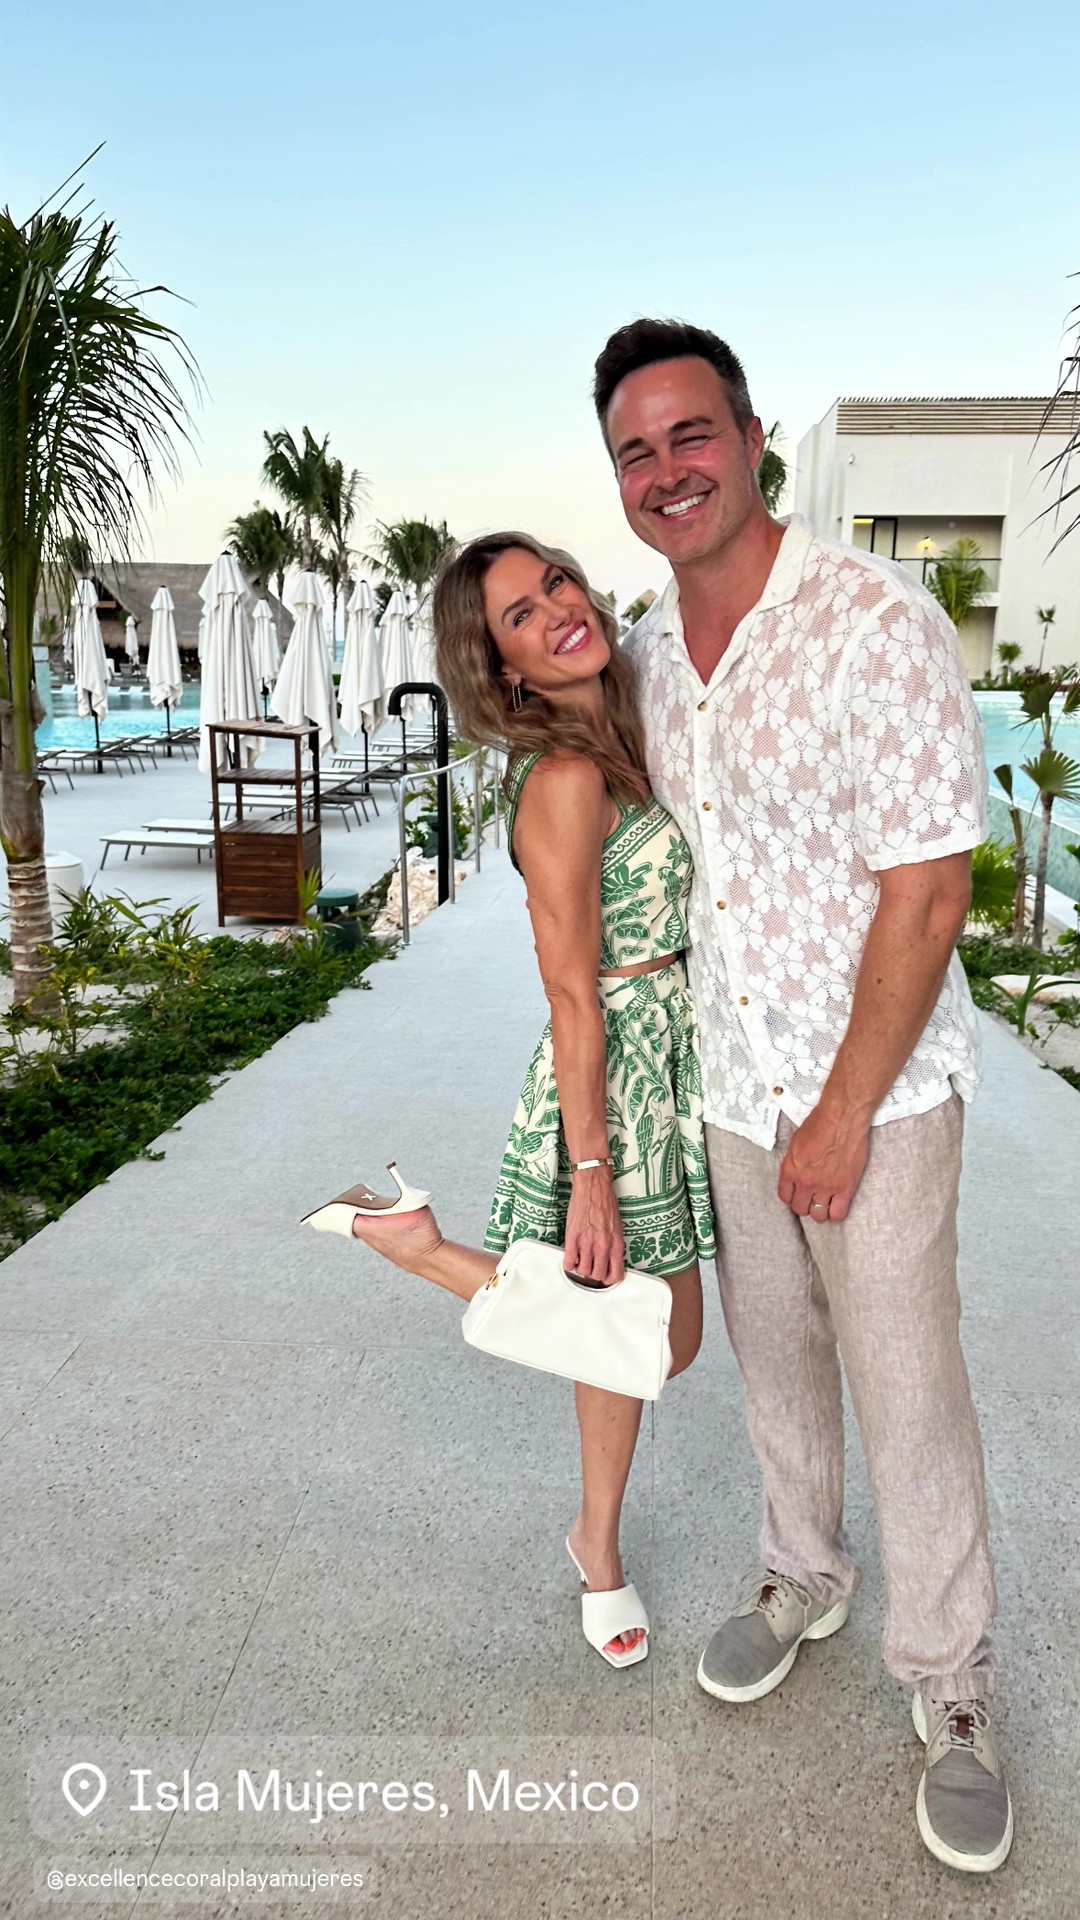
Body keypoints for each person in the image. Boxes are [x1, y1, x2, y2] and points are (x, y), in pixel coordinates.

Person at [592, 316, 1011, 1873]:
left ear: (754, 440)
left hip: (877, 1098)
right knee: (777, 1365)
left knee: (909, 1391)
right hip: (730, 1080)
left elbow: (929, 890)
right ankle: (804, 1575)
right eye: (635, 451)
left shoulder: (871, 620)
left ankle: (953, 1683)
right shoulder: (647, 657)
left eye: (691, 433)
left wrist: (840, 1111)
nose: (667, 470)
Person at [304, 530, 715, 1670]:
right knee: (652, 1333)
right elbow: (570, 991)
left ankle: (595, 1538)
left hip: (663, 1060)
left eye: (556, 585)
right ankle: (422, 1249)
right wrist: (592, 1171)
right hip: (611, 1076)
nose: (557, 612)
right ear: (503, 668)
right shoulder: (566, 779)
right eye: (521, 617)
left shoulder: (616, 737)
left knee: (636, 1332)